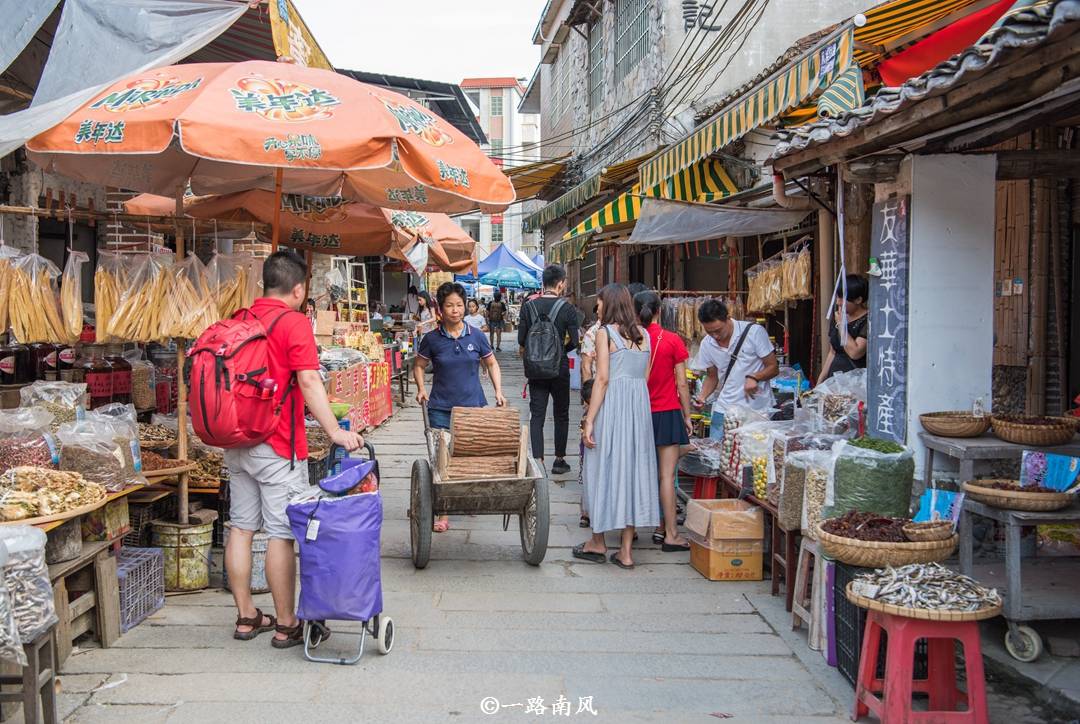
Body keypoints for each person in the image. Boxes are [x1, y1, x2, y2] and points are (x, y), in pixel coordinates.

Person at [224, 250, 364, 647]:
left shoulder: (240, 318)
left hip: (235, 441)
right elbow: (308, 382)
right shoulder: (294, 322)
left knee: (241, 527)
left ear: (264, 283)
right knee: (281, 533)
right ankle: (286, 623)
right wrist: (335, 432)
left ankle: (247, 616)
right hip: (276, 444)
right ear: (299, 289)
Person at [574, 284, 658, 569]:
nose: (596, 308)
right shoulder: (644, 335)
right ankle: (626, 551)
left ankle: (597, 541)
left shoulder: (604, 333)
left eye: (598, 303)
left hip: (612, 409)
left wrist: (590, 419)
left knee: (601, 468)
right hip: (638, 411)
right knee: (634, 472)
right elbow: (644, 378)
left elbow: (603, 379)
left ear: (607, 304)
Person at [414, 282, 506, 532]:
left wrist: (498, 391)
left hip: (472, 407)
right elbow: (419, 366)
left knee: (468, 456)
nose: (455, 310)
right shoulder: (432, 339)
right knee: (442, 460)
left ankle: (467, 498)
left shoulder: (476, 336)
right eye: (449, 306)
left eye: (459, 305)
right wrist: (422, 388)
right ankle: (443, 512)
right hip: (440, 408)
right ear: (441, 310)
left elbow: (492, 364)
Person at [634, 291, 692, 551]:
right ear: (659, 310)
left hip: (638, 413)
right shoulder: (672, 340)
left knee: (635, 473)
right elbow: (681, 383)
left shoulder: (630, 340)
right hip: (667, 412)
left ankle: (630, 531)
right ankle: (670, 534)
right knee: (666, 477)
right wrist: (688, 415)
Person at [518, 264, 580, 476]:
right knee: (561, 414)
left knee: (537, 415)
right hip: (559, 367)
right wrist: (561, 350)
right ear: (561, 283)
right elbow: (576, 341)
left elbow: (521, 339)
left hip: (536, 369)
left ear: (543, 283)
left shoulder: (528, 307)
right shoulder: (567, 308)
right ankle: (559, 460)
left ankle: (538, 462)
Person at [691, 299, 779, 436]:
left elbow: (773, 367)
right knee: (719, 453)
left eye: (718, 330)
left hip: (757, 409)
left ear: (727, 318)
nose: (715, 336)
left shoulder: (754, 332)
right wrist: (702, 397)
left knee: (754, 454)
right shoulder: (707, 344)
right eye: (709, 332)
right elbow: (712, 376)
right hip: (724, 408)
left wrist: (755, 377)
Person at [818, 274, 869, 384]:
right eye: (837, 297)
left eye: (842, 298)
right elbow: (832, 352)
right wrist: (820, 381)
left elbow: (854, 353)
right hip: (834, 381)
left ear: (858, 300)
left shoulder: (869, 320)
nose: (838, 302)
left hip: (856, 385)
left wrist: (841, 324)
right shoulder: (838, 316)